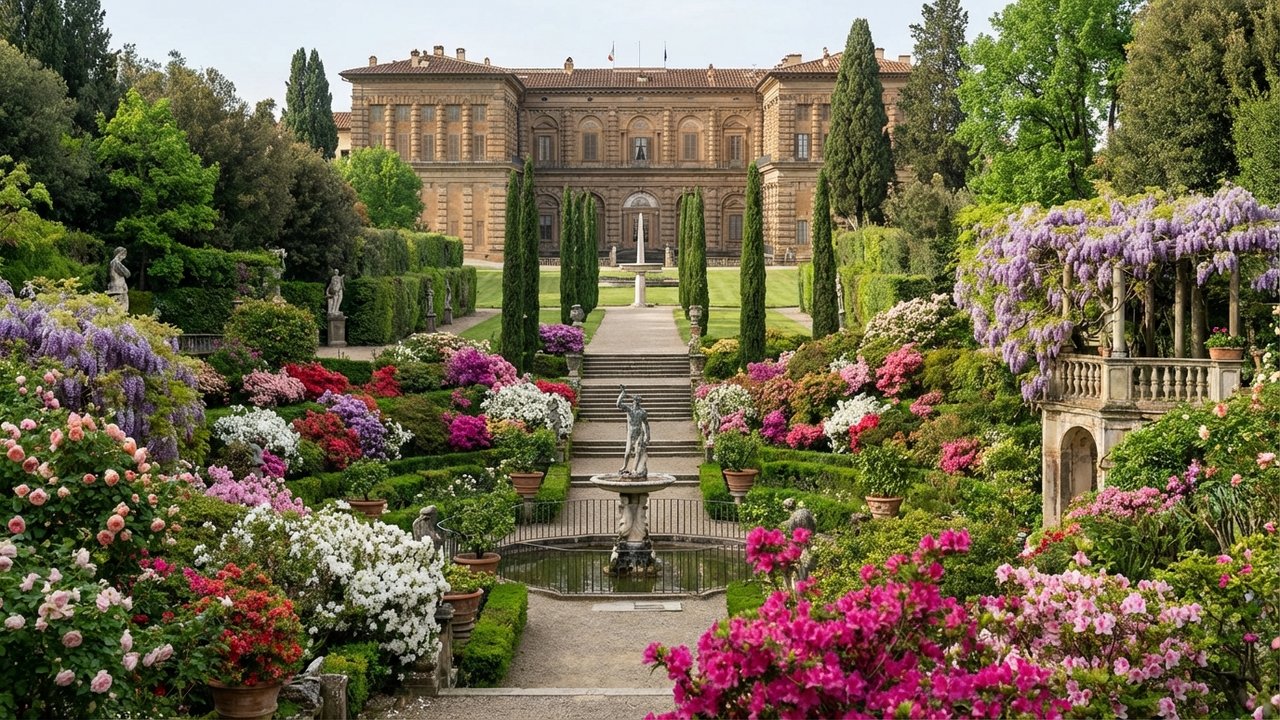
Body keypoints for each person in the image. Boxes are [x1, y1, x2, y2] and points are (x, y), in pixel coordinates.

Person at [616, 385, 650, 476]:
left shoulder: (642, 412)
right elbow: (618, 404)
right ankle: (624, 466)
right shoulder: (629, 410)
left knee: (638, 451)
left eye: (638, 402)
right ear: (633, 402)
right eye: (635, 401)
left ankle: (634, 469)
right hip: (630, 434)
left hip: (639, 433)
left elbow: (646, 424)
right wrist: (622, 394)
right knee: (627, 452)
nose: (636, 403)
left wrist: (647, 436)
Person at [107, 247, 130, 311]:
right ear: (119, 254)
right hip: (118, 289)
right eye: (123, 254)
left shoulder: (113, 262)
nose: (123, 257)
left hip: (117, 288)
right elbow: (127, 273)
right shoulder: (115, 262)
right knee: (121, 309)